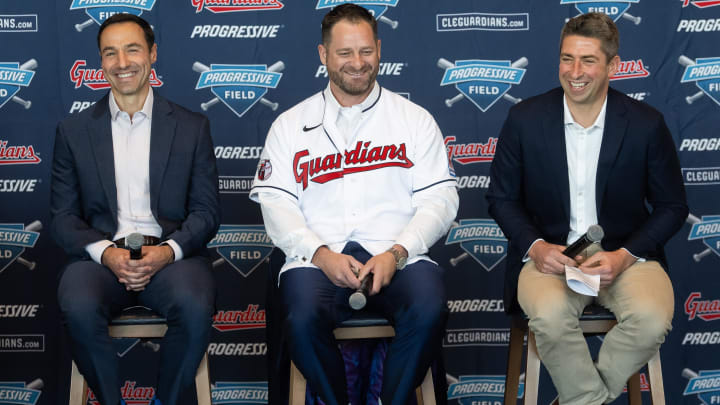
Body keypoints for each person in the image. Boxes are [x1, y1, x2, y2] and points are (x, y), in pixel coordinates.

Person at [250, 4, 458, 404]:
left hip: (397, 255)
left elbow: (440, 199)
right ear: (323, 55)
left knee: (429, 305)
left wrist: (397, 253)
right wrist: (319, 253)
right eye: (345, 53)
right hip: (317, 258)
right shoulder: (291, 124)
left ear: (379, 49)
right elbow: (275, 204)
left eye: (366, 51)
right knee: (301, 315)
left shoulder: (414, 119)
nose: (357, 63)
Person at [487, 12, 688, 405]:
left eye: (588, 60)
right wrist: (537, 247)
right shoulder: (524, 119)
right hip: (551, 255)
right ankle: (589, 400)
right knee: (546, 315)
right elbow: (501, 198)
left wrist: (625, 256)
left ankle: (579, 399)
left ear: (613, 65)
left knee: (651, 319)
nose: (574, 72)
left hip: (625, 252)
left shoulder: (646, 124)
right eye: (567, 58)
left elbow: (671, 205)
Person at [51, 13, 220, 405]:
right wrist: (106, 253)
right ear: (101, 62)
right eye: (110, 53)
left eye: (132, 49)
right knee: (75, 302)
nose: (122, 62)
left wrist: (168, 252)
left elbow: (206, 211)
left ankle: (164, 400)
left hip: (171, 257)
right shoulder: (73, 131)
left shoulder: (192, 127)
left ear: (153, 54)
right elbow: (62, 218)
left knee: (195, 305)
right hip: (101, 259)